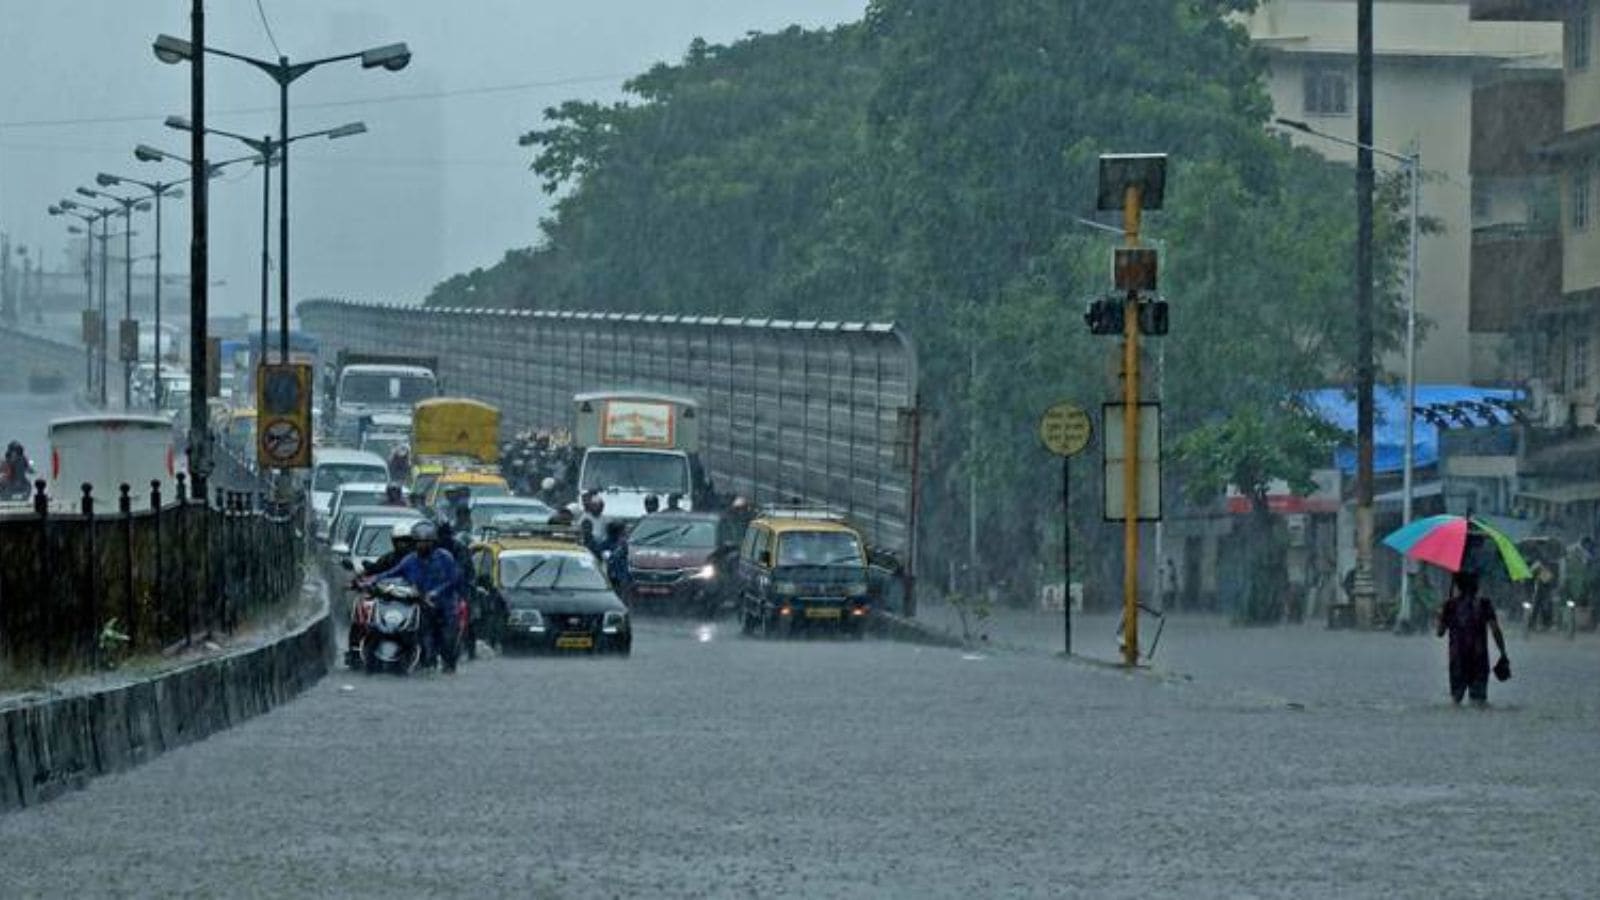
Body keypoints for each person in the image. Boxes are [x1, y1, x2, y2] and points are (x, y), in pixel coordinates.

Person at [372, 521, 462, 674]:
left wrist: (436, 592)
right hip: (422, 608)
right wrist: (370, 580)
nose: (422, 545)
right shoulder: (410, 560)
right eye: (419, 542)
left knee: (448, 643)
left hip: (445, 608)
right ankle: (425, 664)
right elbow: (391, 573)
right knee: (424, 640)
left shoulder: (445, 558)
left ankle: (448, 668)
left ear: (433, 542)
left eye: (426, 542)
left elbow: (454, 580)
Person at [1436, 571, 1508, 707]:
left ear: (1458, 585)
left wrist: (1441, 615)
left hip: (1458, 659)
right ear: (1476, 586)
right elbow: (1495, 630)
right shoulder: (1484, 604)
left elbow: (1440, 633)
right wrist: (1503, 653)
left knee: (1456, 702)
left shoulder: (1450, 605)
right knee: (1479, 703)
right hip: (1479, 658)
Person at [599, 520, 631, 591]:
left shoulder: (624, 544)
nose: (625, 532)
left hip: (622, 575)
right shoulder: (605, 544)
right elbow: (607, 559)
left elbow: (625, 559)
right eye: (622, 531)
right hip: (612, 576)